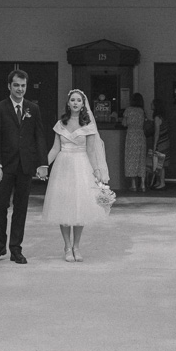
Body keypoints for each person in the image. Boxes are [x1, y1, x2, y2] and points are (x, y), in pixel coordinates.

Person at [0, 69, 48, 265]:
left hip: (25, 166)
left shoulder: (33, 108)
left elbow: (39, 136)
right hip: (4, 166)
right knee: (1, 205)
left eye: (23, 86)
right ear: (9, 86)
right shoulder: (0, 108)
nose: (20, 89)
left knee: (21, 208)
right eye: (16, 85)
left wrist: (43, 163)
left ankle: (16, 248)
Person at [41, 89, 110, 261]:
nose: (75, 103)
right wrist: (43, 165)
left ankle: (76, 246)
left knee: (80, 207)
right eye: (73, 100)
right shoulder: (60, 123)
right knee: (64, 205)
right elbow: (55, 148)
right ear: (68, 103)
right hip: (63, 167)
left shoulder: (89, 125)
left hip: (81, 166)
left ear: (83, 103)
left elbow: (91, 151)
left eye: (79, 100)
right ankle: (66, 246)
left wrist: (97, 171)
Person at [123, 92, 147, 191]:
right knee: (141, 159)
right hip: (141, 136)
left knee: (131, 159)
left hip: (131, 136)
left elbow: (124, 123)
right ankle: (143, 184)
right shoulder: (142, 111)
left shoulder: (128, 110)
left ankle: (133, 185)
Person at [151, 98, 170, 190]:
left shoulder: (157, 118)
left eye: (152, 104)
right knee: (161, 163)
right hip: (165, 141)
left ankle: (161, 182)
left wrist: (155, 144)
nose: (151, 105)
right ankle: (159, 181)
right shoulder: (163, 117)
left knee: (160, 164)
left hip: (160, 142)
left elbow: (157, 132)